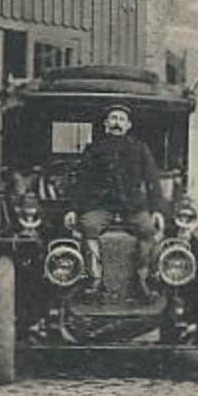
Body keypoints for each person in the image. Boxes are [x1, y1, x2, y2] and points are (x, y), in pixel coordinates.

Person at [74, 104, 166, 290]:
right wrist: (72, 209)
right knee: (88, 226)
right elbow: (81, 181)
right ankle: (95, 275)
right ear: (106, 123)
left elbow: (152, 180)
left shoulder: (140, 148)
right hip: (101, 205)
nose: (117, 123)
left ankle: (143, 274)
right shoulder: (94, 149)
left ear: (128, 125)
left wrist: (156, 210)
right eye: (114, 118)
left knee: (148, 229)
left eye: (121, 119)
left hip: (131, 206)